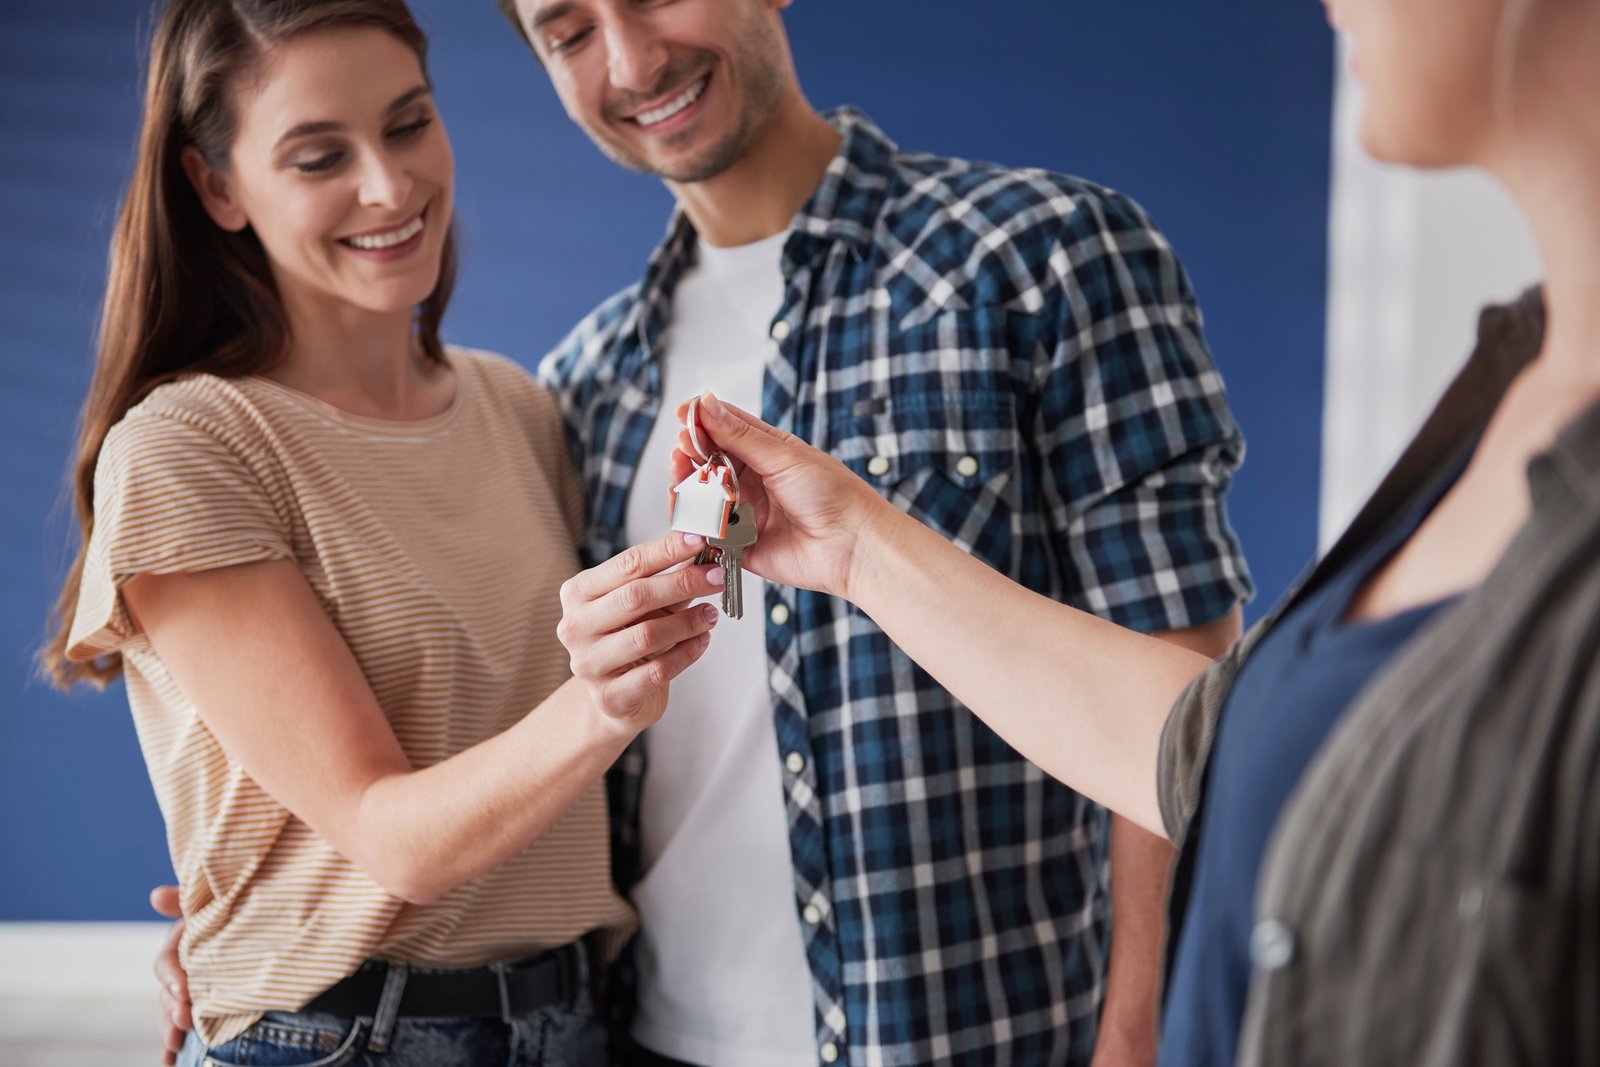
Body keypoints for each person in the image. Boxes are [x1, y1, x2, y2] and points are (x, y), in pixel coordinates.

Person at [667, 0, 1600, 1062]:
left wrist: (1131, 1018)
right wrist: (857, 549)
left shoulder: (1039, 254)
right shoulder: (1510, 384)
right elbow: (1219, 744)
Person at [501, 3, 1253, 1065]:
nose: (630, 60)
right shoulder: (580, 385)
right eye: (567, 31)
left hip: (983, 1037)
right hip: (652, 1037)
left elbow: (1180, 673)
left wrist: (1139, 1030)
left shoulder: (1042, 259)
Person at [39, 1, 725, 1063]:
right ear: (218, 187)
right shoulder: (191, 444)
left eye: (407, 124)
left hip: (579, 1019)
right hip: (349, 1038)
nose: (389, 186)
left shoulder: (518, 410)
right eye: (320, 157)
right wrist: (600, 700)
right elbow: (387, 838)